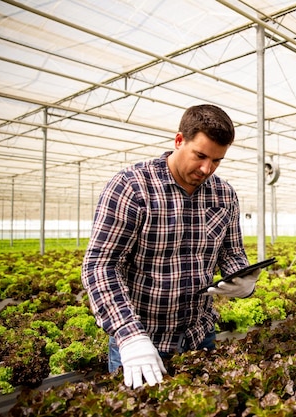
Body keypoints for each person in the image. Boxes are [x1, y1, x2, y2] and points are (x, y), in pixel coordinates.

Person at [81, 104, 260, 389]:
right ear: (179, 141)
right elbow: (101, 266)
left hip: (200, 337)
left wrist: (244, 281)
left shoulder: (224, 194)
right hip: (143, 343)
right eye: (200, 156)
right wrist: (130, 336)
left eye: (217, 161)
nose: (206, 169)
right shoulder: (132, 187)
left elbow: (232, 252)